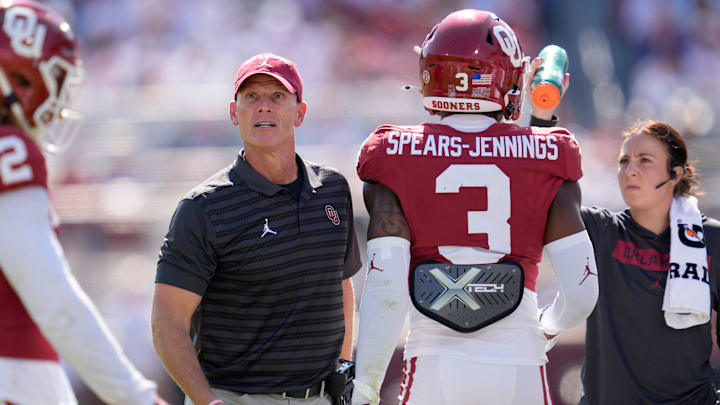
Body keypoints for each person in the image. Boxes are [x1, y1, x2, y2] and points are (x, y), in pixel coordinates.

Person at [352, 9, 599, 405]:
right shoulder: (549, 153)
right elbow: (582, 292)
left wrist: (364, 387)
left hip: (433, 360)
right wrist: (546, 327)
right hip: (520, 361)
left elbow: (387, 291)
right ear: (503, 75)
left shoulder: (394, 152)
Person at [151, 53, 361, 405]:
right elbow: (167, 323)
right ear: (234, 113)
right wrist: (206, 401)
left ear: (300, 112)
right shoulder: (202, 207)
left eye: (277, 96)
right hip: (234, 398)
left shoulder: (334, 189)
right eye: (251, 97)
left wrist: (343, 368)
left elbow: (341, 287)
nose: (263, 107)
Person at [0, 1, 168, 404]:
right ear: (18, 77)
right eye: (53, 79)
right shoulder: (11, 148)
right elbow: (53, 301)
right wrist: (137, 397)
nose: (58, 100)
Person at [576, 120, 720, 405]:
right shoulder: (600, 231)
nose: (630, 170)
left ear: (675, 173)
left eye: (645, 160)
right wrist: (543, 119)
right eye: (624, 160)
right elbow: (540, 196)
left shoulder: (712, 239)